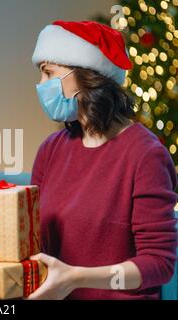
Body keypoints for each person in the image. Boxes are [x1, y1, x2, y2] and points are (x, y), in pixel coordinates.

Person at [28, 21, 177, 300]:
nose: (41, 85)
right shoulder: (50, 150)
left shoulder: (145, 155)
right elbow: (30, 241)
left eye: (48, 73)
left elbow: (159, 264)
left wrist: (77, 278)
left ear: (85, 75)